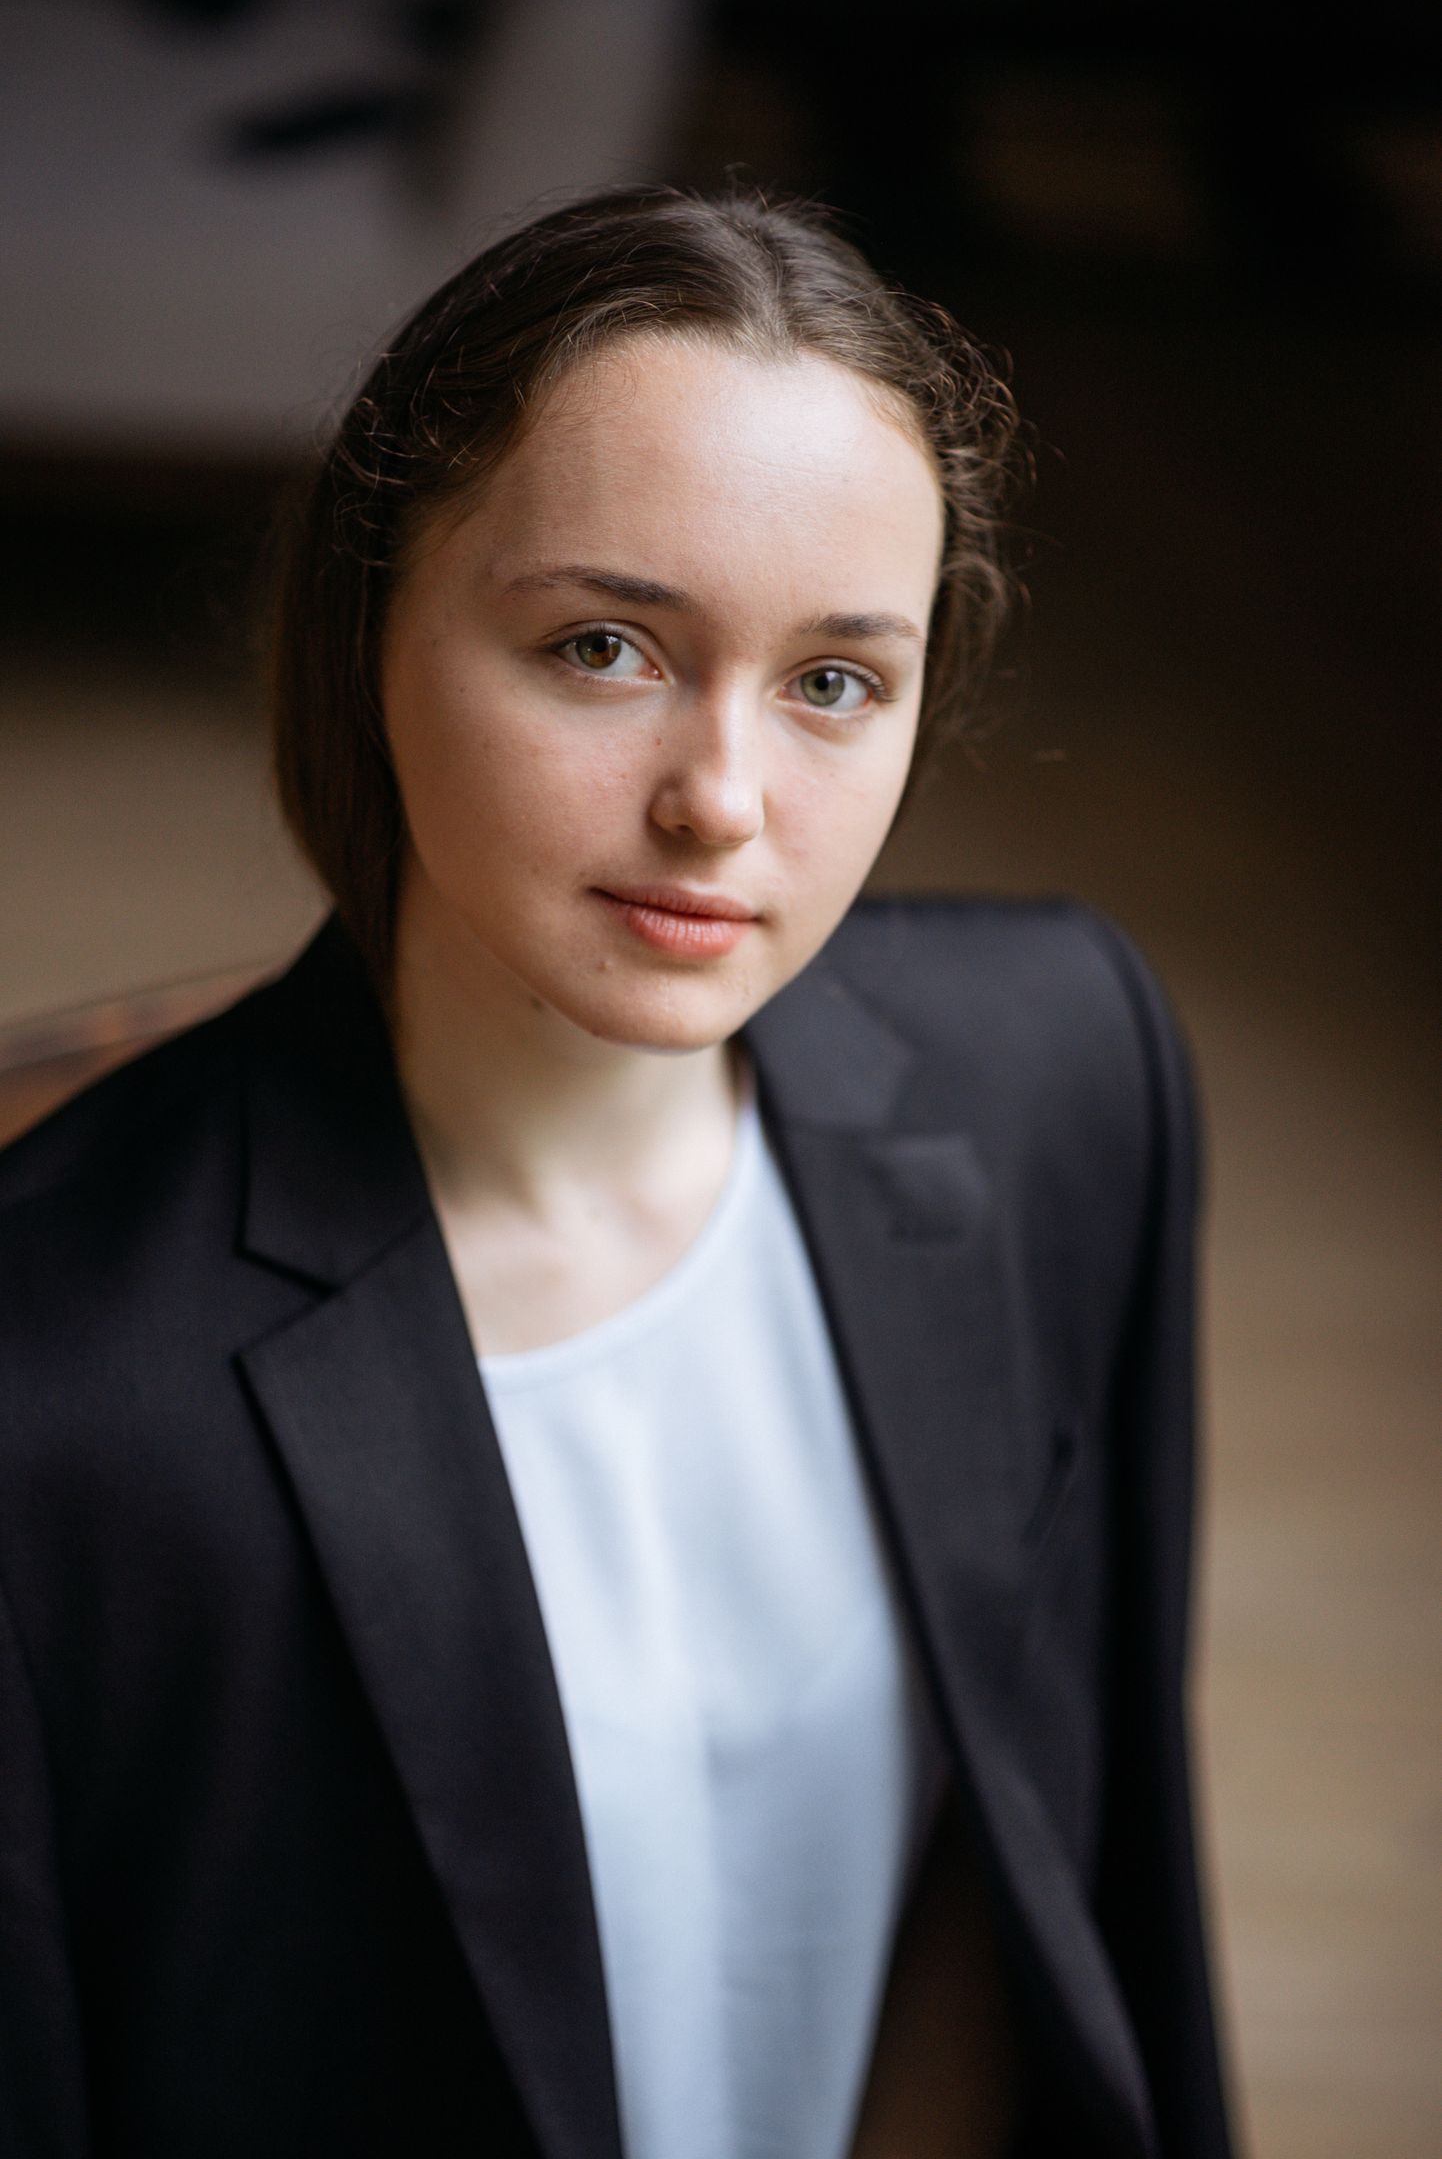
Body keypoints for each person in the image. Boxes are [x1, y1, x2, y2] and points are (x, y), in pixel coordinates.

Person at [0, 184, 1235, 2159]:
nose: (720, 802)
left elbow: (1049, 1878)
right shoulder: (55, 1381)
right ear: (368, 627)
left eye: (834, 681)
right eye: (602, 646)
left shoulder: (1060, 1077)